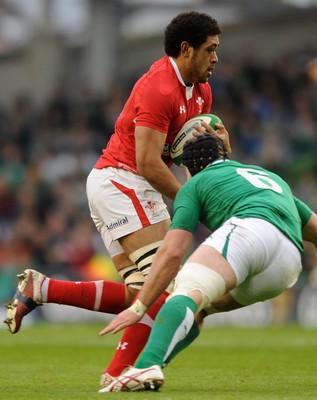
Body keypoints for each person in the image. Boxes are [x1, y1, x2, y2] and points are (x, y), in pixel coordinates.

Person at [4, 11, 230, 390]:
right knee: (166, 286)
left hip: (127, 185)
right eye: (210, 50)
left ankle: (42, 289)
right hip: (123, 181)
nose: (216, 58)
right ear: (186, 49)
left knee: (139, 291)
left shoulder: (202, 91)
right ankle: (120, 371)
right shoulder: (159, 87)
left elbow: (195, 154)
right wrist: (194, 202)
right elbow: (146, 163)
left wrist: (218, 154)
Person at [99, 132, 317, 393]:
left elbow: (173, 251)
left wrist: (139, 306)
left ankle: (146, 365)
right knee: (199, 309)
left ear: (189, 169)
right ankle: (149, 369)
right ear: (224, 154)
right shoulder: (269, 178)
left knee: (186, 290)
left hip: (251, 231)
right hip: (287, 265)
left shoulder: (195, 184)